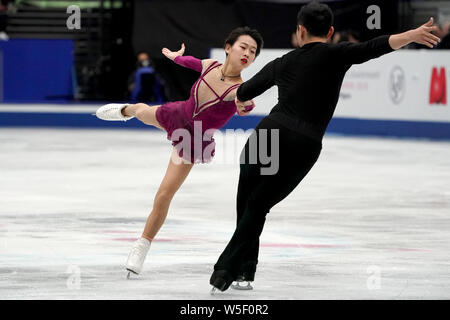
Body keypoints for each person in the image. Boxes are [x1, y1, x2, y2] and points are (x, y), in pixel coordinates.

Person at [209, 1, 441, 293]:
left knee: (248, 205)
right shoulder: (338, 54)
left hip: (268, 133)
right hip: (303, 142)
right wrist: (410, 35)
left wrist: (241, 101)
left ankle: (241, 270)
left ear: (300, 30)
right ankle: (229, 270)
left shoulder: (283, 62)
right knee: (257, 206)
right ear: (330, 31)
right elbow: (374, 46)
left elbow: (243, 91)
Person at [95, 27, 263, 278]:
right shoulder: (210, 65)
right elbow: (191, 62)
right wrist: (175, 57)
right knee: (142, 112)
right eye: (243, 47)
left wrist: (245, 104)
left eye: (253, 51)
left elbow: (245, 105)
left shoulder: (241, 89)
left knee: (164, 193)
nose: (247, 53)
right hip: (177, 114)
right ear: (228, 47)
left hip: (192, 139)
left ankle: (142, 244)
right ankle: (125, 111)